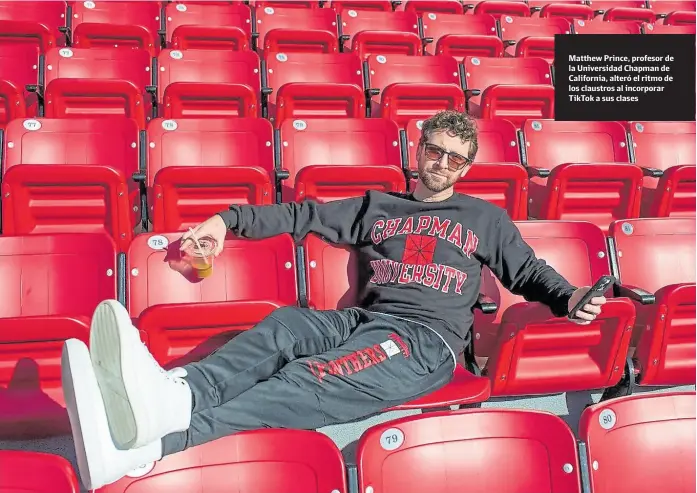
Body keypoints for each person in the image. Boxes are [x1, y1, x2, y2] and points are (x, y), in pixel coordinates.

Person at [61, 110, 606, 490]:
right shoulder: (377, 206)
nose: (442, 163)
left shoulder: (484, 218)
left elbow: (527, 272)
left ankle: (149, 448)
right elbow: (303, 215)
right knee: (286, 327)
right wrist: (227, 219)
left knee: (308, 379)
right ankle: (176, 394)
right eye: (435, 150)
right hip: (364, 319)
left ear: (465, 168)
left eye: (454, 159)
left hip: (424, 344)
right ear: (419, 149)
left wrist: (571, 296)